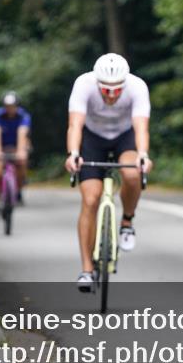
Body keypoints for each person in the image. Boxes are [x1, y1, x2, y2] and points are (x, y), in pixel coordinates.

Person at [64, 53, 153, 292]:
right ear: (97, 83)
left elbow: (141, 127)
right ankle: (86, 270)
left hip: (124, 136)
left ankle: (127, 221)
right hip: (92, 138)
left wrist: (143, 155)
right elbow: (75, 125)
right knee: (90, 199)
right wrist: (73, 153)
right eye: (106, 90)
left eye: (117, 90)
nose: (111, 95)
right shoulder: (84, 84)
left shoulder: (137, 86)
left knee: (132, 173)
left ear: (125, 83)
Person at [0, 91, 31, 220]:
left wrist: (21, 151)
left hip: (16, 145)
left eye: (12, 106)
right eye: (7, 106)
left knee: (22, 162)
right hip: (0, 146)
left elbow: (22, 133)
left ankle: (18, 190)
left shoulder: (23, 116)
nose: (10, 108)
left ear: (17, 106)